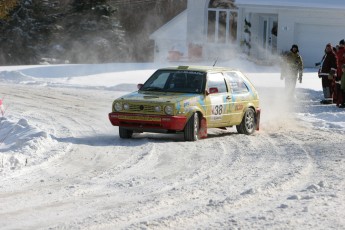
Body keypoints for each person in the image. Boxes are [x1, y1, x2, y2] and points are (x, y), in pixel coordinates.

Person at [335, 39, 345, 107]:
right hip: (338, 71)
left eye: (342, 44)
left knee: (342, 87)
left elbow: (341, 60)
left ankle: (342, 101)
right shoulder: (338, 50)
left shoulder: (343, 50)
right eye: (340, 43)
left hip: (343, 71)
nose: (341, 45)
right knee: (338, 86)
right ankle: (339, 101)